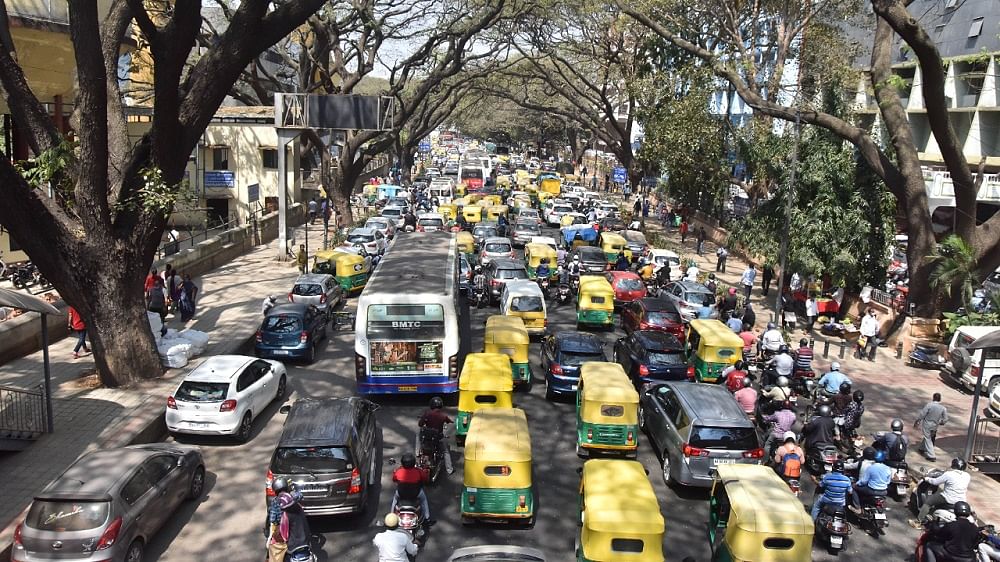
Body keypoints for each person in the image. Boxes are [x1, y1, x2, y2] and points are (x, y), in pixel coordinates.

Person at [913, 458, 972, 526]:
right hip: (961, 500)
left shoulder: (949, 474)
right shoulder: (967, 476)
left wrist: (926, 479)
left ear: (953, 465)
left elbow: (935, 482)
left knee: (929, 502)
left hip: (947, 498)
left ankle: (919, 521)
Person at [417, 397, 454, 474]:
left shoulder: (427, 414)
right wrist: (450, 421)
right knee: (446, 451)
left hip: (427, 437)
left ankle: (417, 453)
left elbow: (420, 424)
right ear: (441, 405)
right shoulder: (443, 416)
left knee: (418, 436)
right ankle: (449, 469)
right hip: (438, 437)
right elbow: (449, 421)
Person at [391, 453, 432, 522]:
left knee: (394, 501)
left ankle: (391, 518)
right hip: (416, 493)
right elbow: (426, 479)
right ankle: (427, 518)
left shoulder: (398, 472)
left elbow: (394, 479)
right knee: (424, 500)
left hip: (401, 494)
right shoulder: (418, 471)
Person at [273, 490, 312, 559]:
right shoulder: (299, 507)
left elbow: (284, 535)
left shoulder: (286, 515)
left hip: (294, 546)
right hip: (306, 542)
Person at [916, 392, 949, 461]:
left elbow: (922, 414)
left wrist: (918, 421)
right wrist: (941, 422)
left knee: (928, 438)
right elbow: (945, 419)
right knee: (928, 437)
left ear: (933, 398)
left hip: (927, 424)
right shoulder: (943, 408)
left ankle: (931, 455)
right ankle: (921, 448)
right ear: (940, 399)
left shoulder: (929, 405)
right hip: (935, 425)